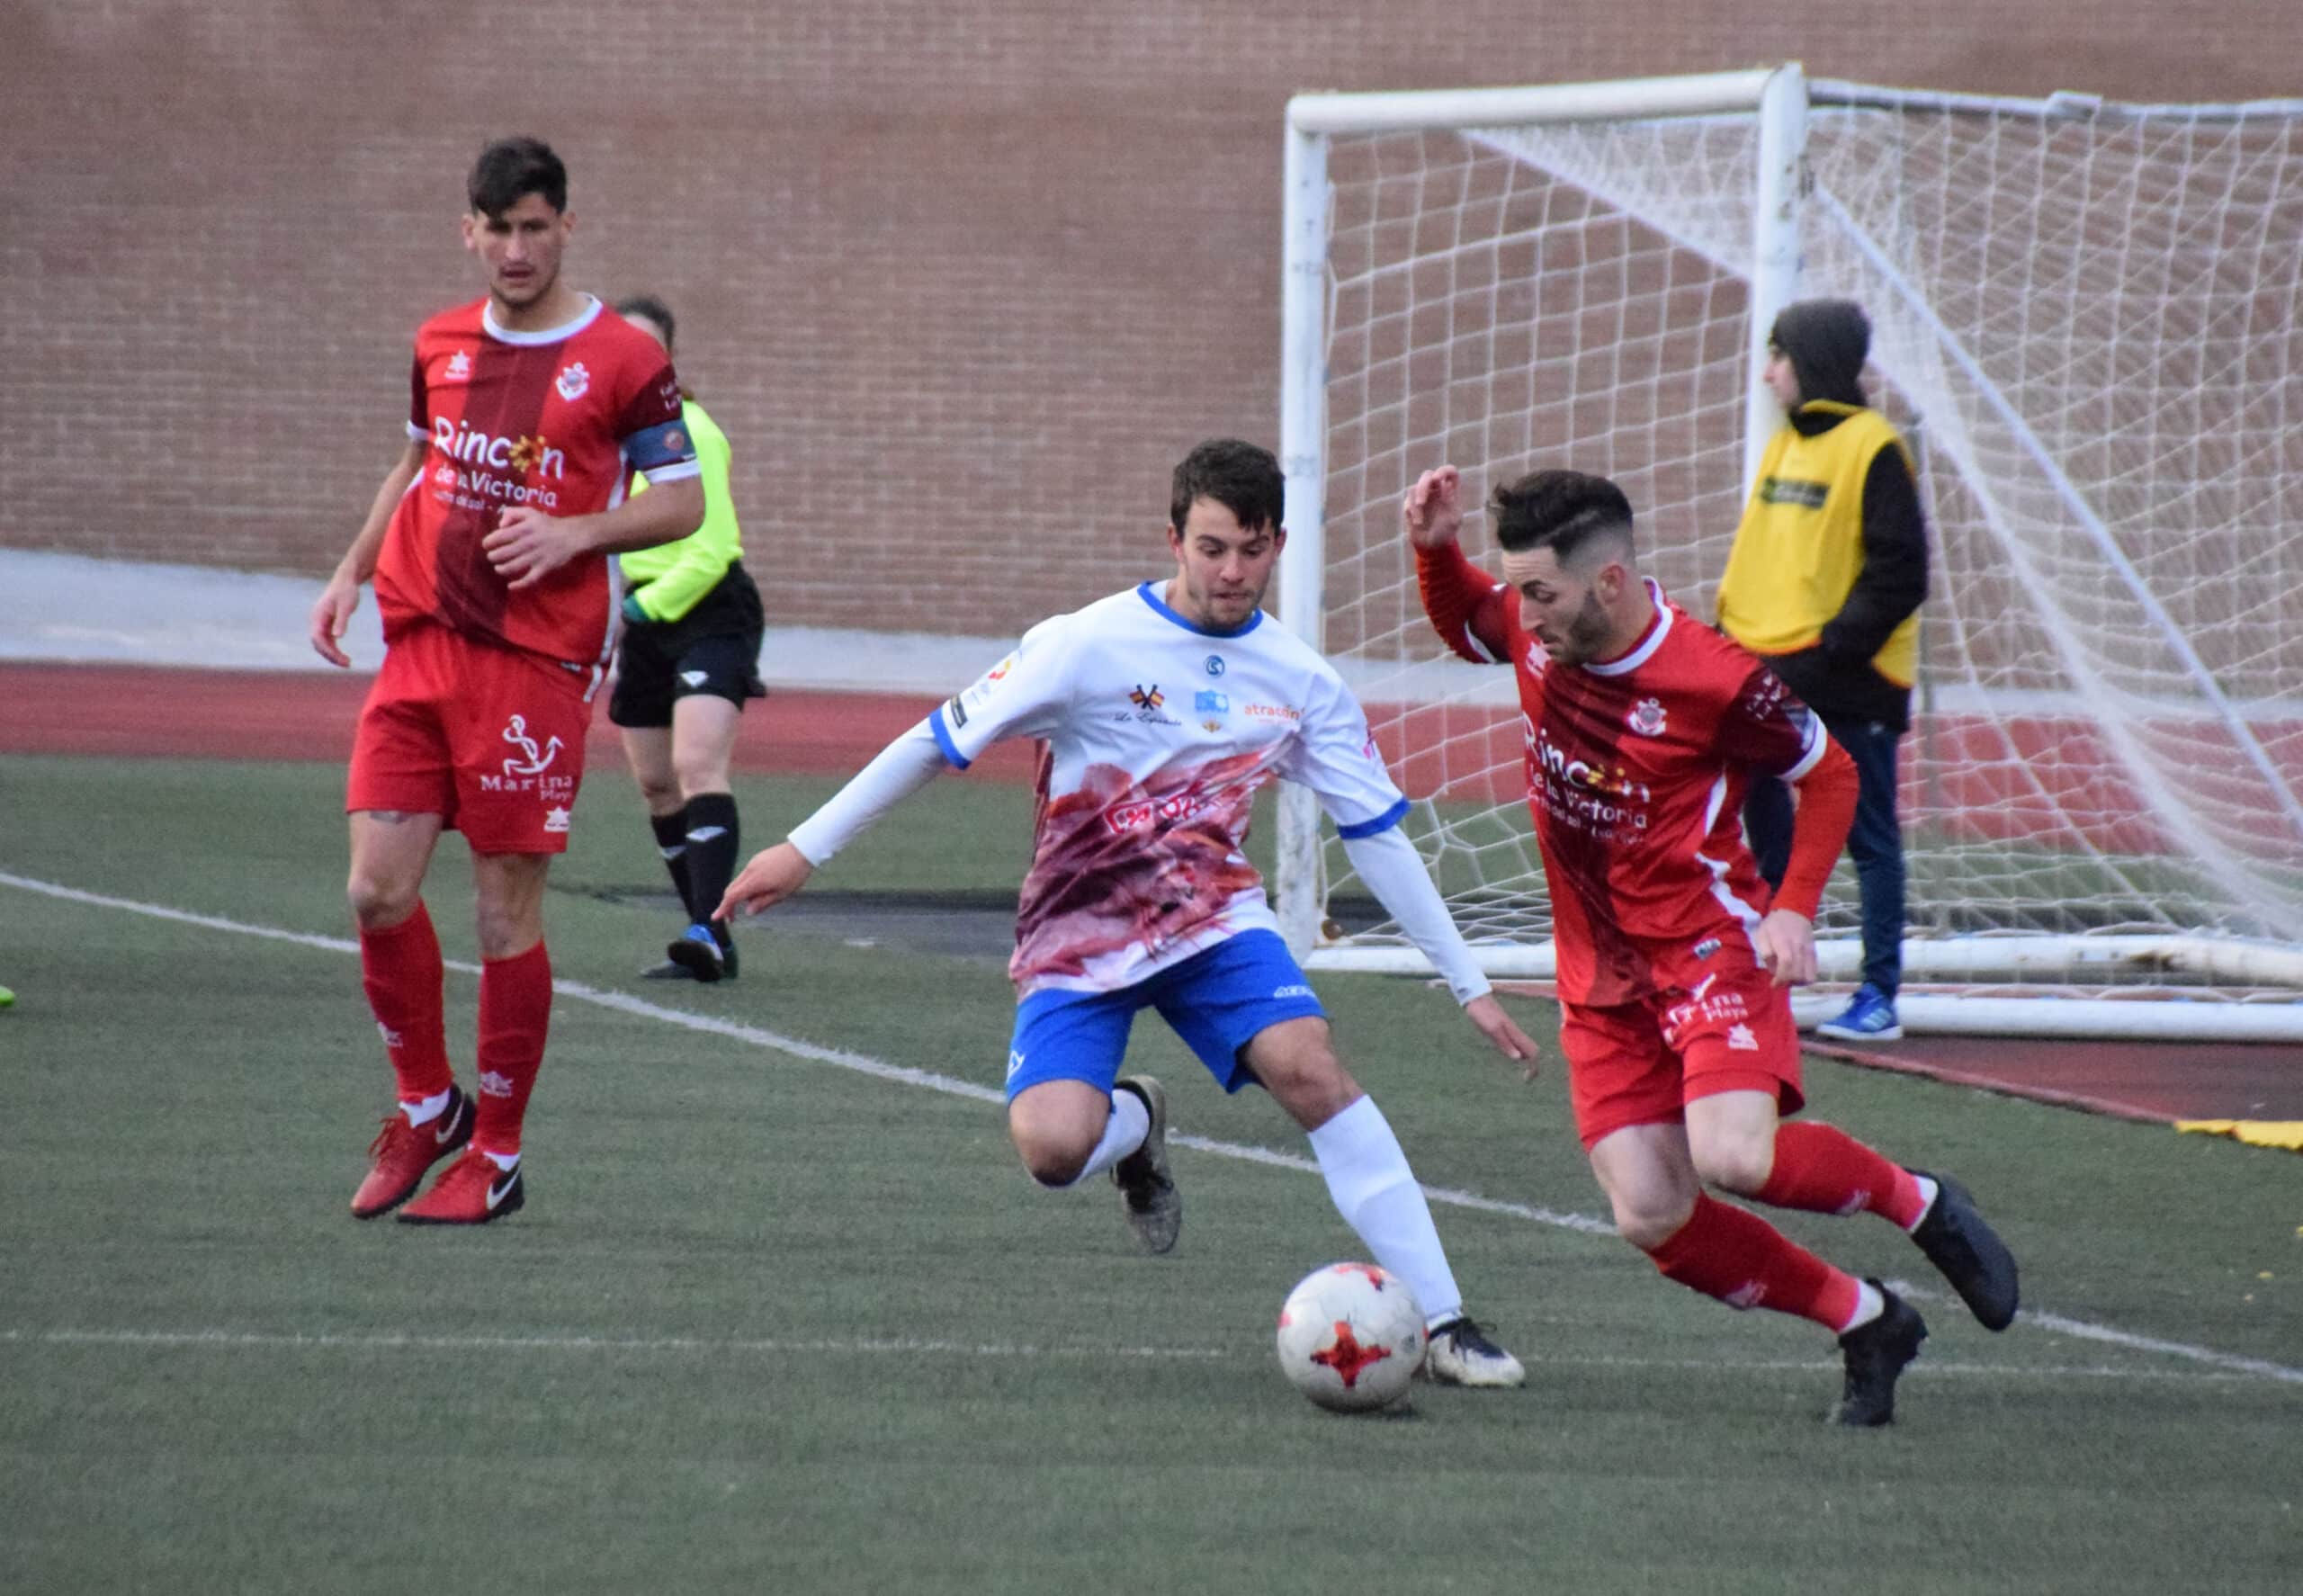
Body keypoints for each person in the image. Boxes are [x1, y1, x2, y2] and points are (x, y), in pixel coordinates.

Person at [720, 438, 1539, 1387]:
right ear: (1173, 539)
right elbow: (933, 740)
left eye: (1252, 549)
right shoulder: (1085, 644)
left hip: (1212, 924)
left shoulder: (1300, 682)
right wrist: (803, 849)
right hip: (1080, 934)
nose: (1232, 571)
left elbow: (1379, 834)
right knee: (1052, 1149)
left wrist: (1466, 981)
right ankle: (1136, 1125)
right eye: (1212, 546)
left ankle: (1443, 1321)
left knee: (1310, 1069)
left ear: (1278, 544)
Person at [1403, 463, 2015, 1425]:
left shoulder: (1712, 679)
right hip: (1599, 974)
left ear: (1607, 582)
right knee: (1649, 1210)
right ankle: (1867, 1320)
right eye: (1518, 589)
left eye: (1539, 593)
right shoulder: (1533, 626)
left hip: (1705, 950)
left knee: (1733, 1157)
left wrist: (1795, 907)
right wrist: (1434, 551)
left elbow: (1832, 775)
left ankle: (1920, 1202)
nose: (1524, 613)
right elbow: (1469, 623)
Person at [309, 138, 705, 1224]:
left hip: (533, 663)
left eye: (537, 227)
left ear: (565, 227)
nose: (517, 248)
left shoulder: (622, 355)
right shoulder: (438, 338)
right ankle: (427, 1102)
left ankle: (498, 1150)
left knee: (499, 912)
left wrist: (578, 532)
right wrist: (349, 571)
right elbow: (417, 460)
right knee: (374, 887)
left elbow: (682, 501)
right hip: (420, 642)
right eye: (499, 228)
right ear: (468, 230)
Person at [1717, 300, 1929, 1042]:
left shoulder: (1875, 449)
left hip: (1850, 681)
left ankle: (1879, 997)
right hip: (1769, 674)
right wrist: (1726, 642)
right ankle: (1765, 973)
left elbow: (1901, 575)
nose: (1769, 372)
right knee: (1763, 824)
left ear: (1813, 363)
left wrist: (1832, 649)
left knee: (1867, 836)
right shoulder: (1783, 444)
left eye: (1779, 357)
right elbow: (1762, 558)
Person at [605, 294, 766, 983]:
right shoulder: (600, 441)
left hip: (709, 612)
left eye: (647, 350)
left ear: (666, 361)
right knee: (654, 784)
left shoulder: (689, 429)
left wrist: (642, 614)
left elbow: (712, 548)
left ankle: (705, 927)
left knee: (698, 764)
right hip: (646, 614)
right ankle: (711, 935)